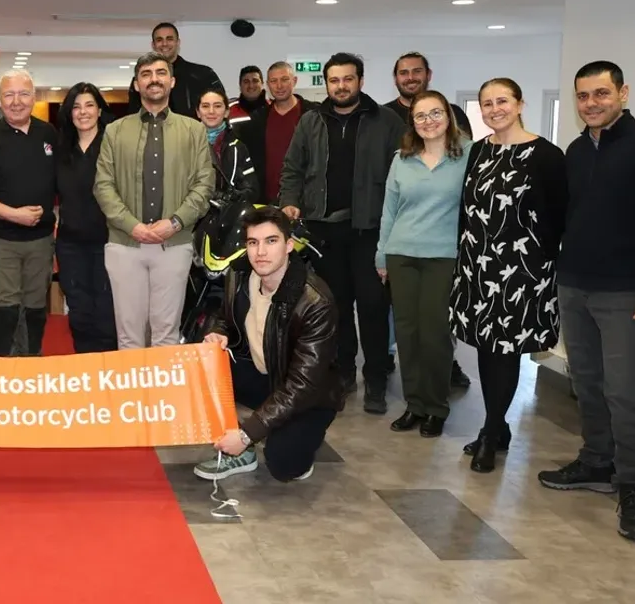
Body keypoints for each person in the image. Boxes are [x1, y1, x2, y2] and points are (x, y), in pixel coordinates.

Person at [541, 61, 635, 544]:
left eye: (601, 93)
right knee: (586, 382)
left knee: (624, 392)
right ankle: (596, 462)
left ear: (622, 93)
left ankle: (634, 487)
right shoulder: (574, 151)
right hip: (574, 284)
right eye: (583, 96)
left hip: (626, 291)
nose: (591, 103)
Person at [450, 78, 565, 475]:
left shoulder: (546, 155)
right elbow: (467, 209)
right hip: (478, 268)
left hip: (522, 273)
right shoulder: (478, 151)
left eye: (502, 101)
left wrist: (539, 260)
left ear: (519, 104)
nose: (494, 109)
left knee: (506, 351)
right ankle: (497, 428)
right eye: (487, 103)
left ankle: (490, 431)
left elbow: (558, 216)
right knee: (487, 349)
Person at [279, 52, 403, 415]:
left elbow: (403, 171)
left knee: (373, 306)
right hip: (324, 231)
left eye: (348, 79)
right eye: (334, 80)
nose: (341, 86)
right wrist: (289, 201)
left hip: (370, 230)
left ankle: (376, 379)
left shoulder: (387, 121)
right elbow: (293, 168)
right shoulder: (310, 121)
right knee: (336, 307)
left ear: (361, 81)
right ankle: (344, 372)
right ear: (326, 84)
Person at [194, 206, 344, 482]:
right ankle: (246, 446)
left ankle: (287, 435)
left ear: (289, 246)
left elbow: (302, 385)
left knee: (284, 465)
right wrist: (217, 332)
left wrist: (247, 434)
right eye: (253, 243)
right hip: (264, 372)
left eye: (271, 241)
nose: (260, 252)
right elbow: (224, 317)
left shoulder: (315, 302)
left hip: (308, 394)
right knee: (201, 362)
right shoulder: (239, 275)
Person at [95, 52, 215, 349]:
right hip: (125, 244)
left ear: (172, 81)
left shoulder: (194, 130)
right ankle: (133, 385)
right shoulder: (115, 131)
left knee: (166, 335)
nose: (154, 79)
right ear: (136, 84)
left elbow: (204, 185)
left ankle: (164, 385)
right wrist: (132, 226)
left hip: (174, 243)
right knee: (129, 336)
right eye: (146, 74)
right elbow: (103, 186)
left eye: (161, 73)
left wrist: (174, 222)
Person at [375, 91, 472, 438]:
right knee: (407, 334)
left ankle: (436, 407)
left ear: (448, 115)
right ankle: (415, 404)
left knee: (435, 334)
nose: (428, 121)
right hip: (402, 254)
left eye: (435, 113)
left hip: (443, 257)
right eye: (420, 116)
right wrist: (382, 254)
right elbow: (389, 209)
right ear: (412, 122)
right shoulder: (403, 158)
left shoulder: (468, 155)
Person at [0, 69, 58, 356]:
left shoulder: (49, 133)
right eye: (9, 95)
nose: (16, 101)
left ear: (34, 97)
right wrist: (14, 215)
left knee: (35, 311)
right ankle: (1, 369)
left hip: (41, 241)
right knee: (6, 312)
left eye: (23, 94)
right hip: (0, 241)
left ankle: (31, 365)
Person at [54, 84, 117, 354]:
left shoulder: (113, 145)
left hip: (108, 242)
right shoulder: (61, 148)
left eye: (89, 105)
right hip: (71, 245)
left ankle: (108, 371)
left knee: (106, 314)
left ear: (100, 110)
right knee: (79, 313)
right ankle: (85, 367)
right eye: (76, 107)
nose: (83, 112)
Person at [235, 61, 317, 204]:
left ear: (294, 81)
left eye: (284, 79)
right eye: (274, 81)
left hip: (306, 201)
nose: (279, 86)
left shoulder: (314, 115)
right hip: (266, 202)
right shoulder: (257, 120)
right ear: (267, 84)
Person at [126, 22, 223, 116]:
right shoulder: (142, 79)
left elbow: (219, 107)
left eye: (169, 39)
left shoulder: (203, 74)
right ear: (153, 45)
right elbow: (133, 114)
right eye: (159, 40)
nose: (164, 43)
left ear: (178, 42)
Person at [384, 52, 472, 138]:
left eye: (417, 71)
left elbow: (465, 146)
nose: (410, 77)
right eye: (403, 73)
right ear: (395, 79)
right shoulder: (383, 115)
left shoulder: (453, 113)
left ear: (428, 75)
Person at [195, 85, 259, 201]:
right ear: (198, 112)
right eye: (205, 106)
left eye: (217, 106)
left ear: (226, 112)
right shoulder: (186, 144)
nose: (211, 111)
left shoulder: (238, 147)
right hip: (193, 210)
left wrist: (232, 197)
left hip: (226, 210)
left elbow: (252, 190)